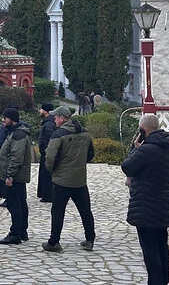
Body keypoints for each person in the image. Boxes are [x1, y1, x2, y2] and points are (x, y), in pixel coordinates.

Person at [122, 114, 169, 285]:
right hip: (164, 204)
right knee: (162, 246)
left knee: (150, 251)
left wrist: (136, 148)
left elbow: (127, 166)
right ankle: (163, 281)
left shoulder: (146, 150)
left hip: (145, 207)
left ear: (143, 129)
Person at [42, 106, 96, 253]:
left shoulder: (58, 135)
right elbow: (91, 153)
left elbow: (50, 157)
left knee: (58, 211)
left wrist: (51, 169)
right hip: (80, 179)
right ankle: (90, 239)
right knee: (85, 211)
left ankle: (54, 242)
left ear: (61, 118)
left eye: (55, 117)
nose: (54, 119)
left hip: (62, 180)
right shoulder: (84, 132)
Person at [0, 108, 32, 245]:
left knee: (14, 204)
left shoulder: (18, 135)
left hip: (15, 176)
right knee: (20, 203)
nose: (3, 121)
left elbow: (16, 157)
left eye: (5, 118)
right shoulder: (17, 133)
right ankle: (22, 231)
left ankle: (15, 233)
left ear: (11, 119)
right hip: (18, 176)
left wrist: (10, 175)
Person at [37, 103, 56, 203]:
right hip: (46, 152)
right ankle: (45, 194)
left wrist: (44, 149)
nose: (40, 111)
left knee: (46, 174)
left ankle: (47, 195)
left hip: (47, 153)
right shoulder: (49, 122)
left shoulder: (49, 124)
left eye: (41, 109)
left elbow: (49, 138)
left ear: (46, 111)